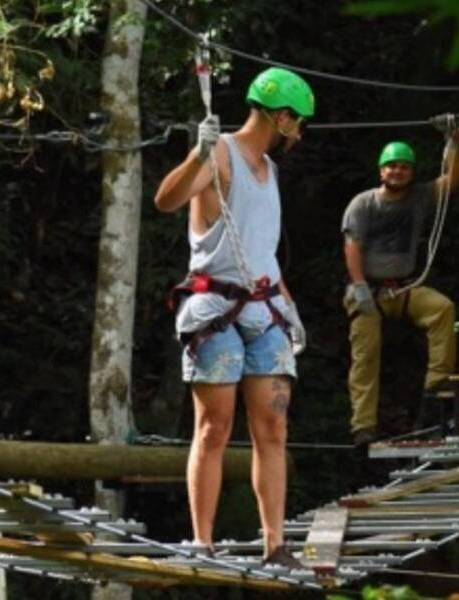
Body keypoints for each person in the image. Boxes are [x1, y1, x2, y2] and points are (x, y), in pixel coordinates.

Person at [153, 66, 313, 569]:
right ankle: (202, 540)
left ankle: (276, 545)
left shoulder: (271, 170)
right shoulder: (221, 153)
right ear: (283, 116)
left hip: (264, 308)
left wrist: (287, 304)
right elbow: (167, 200)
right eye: (299, 120)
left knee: (274, 428)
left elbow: (261, 252)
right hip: (215, 308)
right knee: (214, 427)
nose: (300, 131)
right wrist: (198, 155)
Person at [341, 132, 459, 447]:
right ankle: (363, 427)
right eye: (392, 166)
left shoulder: (420, 197)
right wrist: (358, 286)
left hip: (405, 287)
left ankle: (435, 391)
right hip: (367, 288)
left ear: (411, 172)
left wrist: (453, 143)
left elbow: (453, 180)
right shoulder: (364, 203)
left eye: (404, 167)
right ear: (381, 170)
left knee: (442, 309)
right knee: (365, 353)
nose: (398, 172)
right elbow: (352, 245)